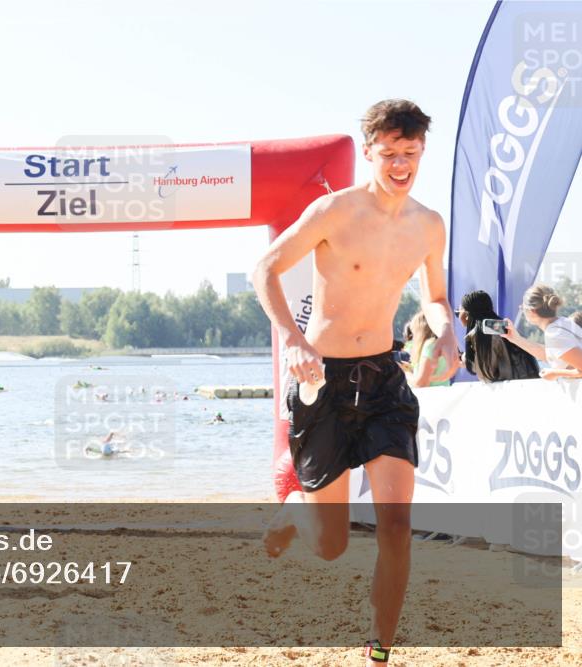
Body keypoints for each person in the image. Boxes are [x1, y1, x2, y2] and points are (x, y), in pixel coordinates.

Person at [253, 99, 459, 665]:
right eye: (389, 153)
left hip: (384, 381)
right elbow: (264, 269)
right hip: (324, 381)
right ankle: (298, 511)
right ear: (368, 151)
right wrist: (294, 341)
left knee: (396, 525)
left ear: (422, 153)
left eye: (410, 153)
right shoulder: (334, 211)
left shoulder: (428, 224)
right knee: (331, 545)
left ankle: (380, 649)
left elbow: (435, 298)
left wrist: (446, 333)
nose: (400, 164)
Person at [501, 285, 582, 380]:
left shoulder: (555, 334)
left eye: (522, 308)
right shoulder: (563, 323)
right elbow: (553, 355)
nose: (522, 310)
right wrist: (516, 339)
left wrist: (554, 373)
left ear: (532, 311)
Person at [459, 290, 539, 382]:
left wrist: (466, 360)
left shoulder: (482, 333)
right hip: (529, 384)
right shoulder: (499, 326)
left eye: (458, 313)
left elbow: (486, 374)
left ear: (467, 315)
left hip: (513, 390)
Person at [405, 311, 449, 387]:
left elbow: (421, 383)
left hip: (431, 397)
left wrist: (406, 373)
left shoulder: (430, 345)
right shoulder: (437, 344)